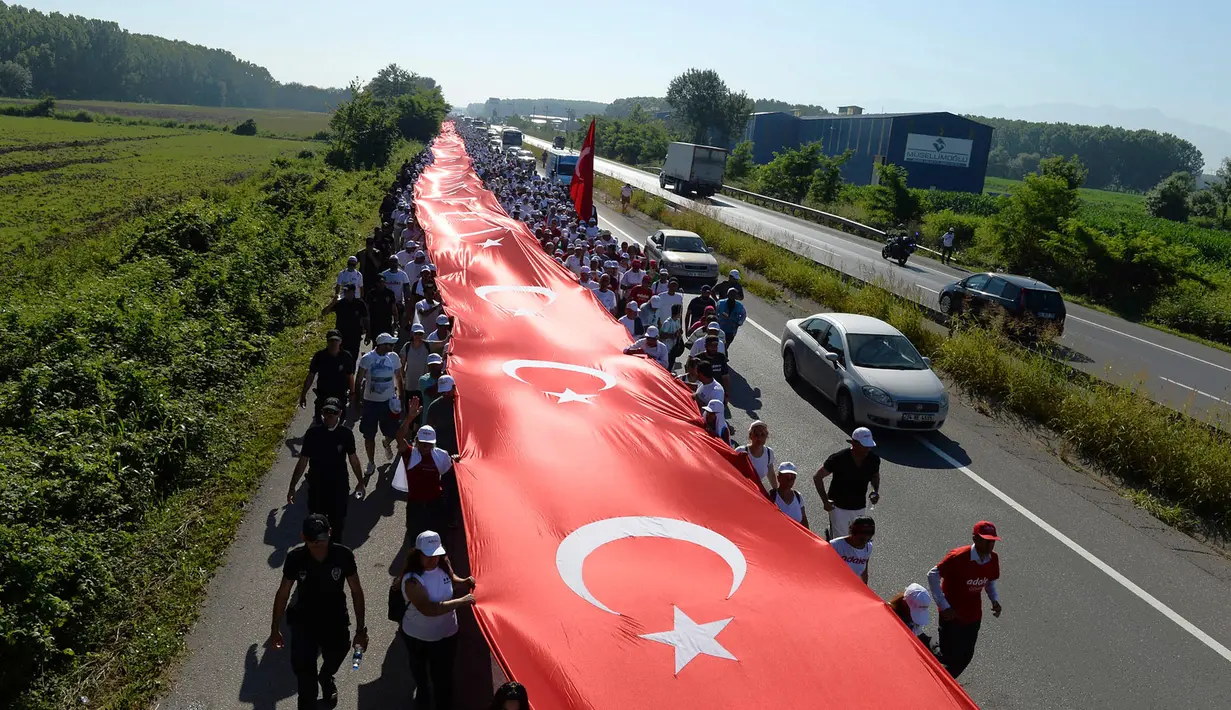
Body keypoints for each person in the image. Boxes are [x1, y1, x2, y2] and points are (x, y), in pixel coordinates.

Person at [268, 514, 367, 710]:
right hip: (304, 622)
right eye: (311, 540)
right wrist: (274, 627)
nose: (317, 545)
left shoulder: (343, 555)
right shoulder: (295, 558)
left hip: (335, 618)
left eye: (321, 539)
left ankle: (326, 676)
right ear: (303, 537)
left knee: (338, 652)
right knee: (306, 682)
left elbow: (356, 591)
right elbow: (283, 593)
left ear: (330, 533)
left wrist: (360, 630)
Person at [398, 530, 476, 710]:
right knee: (420, 669)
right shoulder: (412, 581)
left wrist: (463, 581)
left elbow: (450, 578)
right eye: (428, 556)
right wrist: (461, 601)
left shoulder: (443, 561)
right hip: (418, 637)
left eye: (437, 554)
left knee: (443, 676)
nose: (434, 559)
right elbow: (429, 609)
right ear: (418, 554)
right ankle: (423, 693)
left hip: (447, 634)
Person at [927, 521, 1003, 679]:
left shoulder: (993, 559)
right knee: (947, 656)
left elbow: (989, 581)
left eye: (993, 541)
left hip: (973, 615)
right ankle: (927, 647)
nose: (990, 545)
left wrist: (994, 600)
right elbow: (933, 575)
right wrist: (944, 605)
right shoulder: (958, 556)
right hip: (951, 614)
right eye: (986, 540)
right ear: (975, 539)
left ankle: (944, 682)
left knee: (965, 656)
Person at [286, 398, 365, 543]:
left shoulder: (346, 434)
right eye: (326, 412)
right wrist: (292, 486)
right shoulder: (312, 434)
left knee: (337, 525)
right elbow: (303, 461)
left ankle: (334, 552)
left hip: (339, 487)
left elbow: (353, 459)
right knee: (316, 526)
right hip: (317, 487)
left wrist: (360, 481)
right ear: (322, 413)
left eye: (333, 412)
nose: (329, 416)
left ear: (339, 413)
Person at [812, 427, 881, 539]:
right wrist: (825, 501)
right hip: (838, 506)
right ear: (854, 443)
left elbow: (875, 476)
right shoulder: (838, 458)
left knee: (856, 536)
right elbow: (818, 477)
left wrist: (875, 491)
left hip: (859, 505)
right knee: (840, 539)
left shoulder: (874, 459)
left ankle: (831, 533)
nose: (868, 449)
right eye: (865, 446)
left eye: (869, 446)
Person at [394, 424, 456, 537]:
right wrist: (409, 418)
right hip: (415, 506)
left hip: (435, 505)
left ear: (433, 443)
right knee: (415, 538)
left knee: (437, 538)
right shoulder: (410, 454)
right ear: (416, 441)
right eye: (422, 442)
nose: (425, 446)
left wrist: (457, 461)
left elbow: (453, 470)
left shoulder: (441, 456)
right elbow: (399, 437)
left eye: (428, 443)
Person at [354, 333, 403, 472]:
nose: (392, 346)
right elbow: (358, 381)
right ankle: (371, 462)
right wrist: (357, 401)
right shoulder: (367, 359)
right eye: (389, 344)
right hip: (371, 404)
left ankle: (386, 443)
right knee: (369, 435)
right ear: (382, 345)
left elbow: (399, 379)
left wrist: (401, 398)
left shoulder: (393, 357)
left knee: (393, 432)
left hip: (388, 403)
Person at [300, 330, 355, 422]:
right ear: (327, 341)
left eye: (336, 340)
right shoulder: (319, 356)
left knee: (339, 422)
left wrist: (352, 393)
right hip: (323, 394)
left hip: (340, 395)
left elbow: (350, 376)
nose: (333, 343)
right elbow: (311, 376)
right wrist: (303, 394)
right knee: (320, 422)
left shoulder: (346, 356)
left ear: (340, 341)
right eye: (331, 340)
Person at [322, 285, 368, 366]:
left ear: (353, 292)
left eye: (347, 291)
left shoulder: (359, 303)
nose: (345, 293)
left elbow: (365, 319)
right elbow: (324, 313)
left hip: (355, 335)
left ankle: (351, 375)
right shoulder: (340, 303)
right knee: (340, 358)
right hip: (341, 336)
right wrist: (333, 303)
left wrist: (368, 334)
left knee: (353, 358)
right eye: (344, 291)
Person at [829, 516, 875, 585]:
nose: (864, 542)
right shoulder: (835, 545)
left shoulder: (868, 547)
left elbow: (864, 570)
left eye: (867, 538)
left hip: (851, 586)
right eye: (861, 539)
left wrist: (864, 587)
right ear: (852, 532)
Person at [735, 420, 776, 489]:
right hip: (740, 488)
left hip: (755, 490)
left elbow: (771, 474)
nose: (759, 438)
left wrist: (776, 492)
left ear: (766, 436)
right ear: (750, 436)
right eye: (756, 435)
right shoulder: (741, 451)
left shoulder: (769, 453)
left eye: (763, 435)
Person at [401, 323, 431, 414]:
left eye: (420, 334)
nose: (418, 336)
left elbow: (440, 343)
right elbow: (402, 365)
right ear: (412, 334)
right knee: (409, 406)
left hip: (423, 383)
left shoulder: (427, 345)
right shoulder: (407, 347)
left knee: (421, 407)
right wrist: (402, 380)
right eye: (416, 334)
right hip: (410, 382)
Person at [769, 462, 808, 528]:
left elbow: (804, 519)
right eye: (786, 477)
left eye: (792, 478)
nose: (789, 481)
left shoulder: (798, 496)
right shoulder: (771, 497)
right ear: (778, 478)